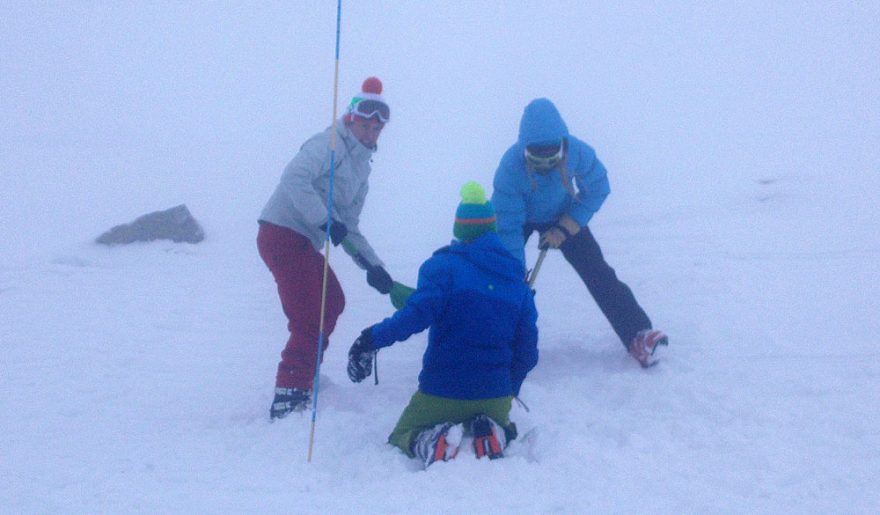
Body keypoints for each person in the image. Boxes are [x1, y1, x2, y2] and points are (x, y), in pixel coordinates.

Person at [347, 182, 539, 469]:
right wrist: (508, 388)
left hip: (442, 390)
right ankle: (496, 430)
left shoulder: (443, 268)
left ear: (459, 230)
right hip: (495, 395)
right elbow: (527, 351)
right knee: (499, 420)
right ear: (492, 230)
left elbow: (416, 315)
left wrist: (370, 339)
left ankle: (427, 442)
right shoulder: (517, 285)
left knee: (399, 435)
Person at [491, 98, 668, 368]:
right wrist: (515, 270)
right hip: (522, 219)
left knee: (598, 273)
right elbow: (508, 226)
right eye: (537, 154)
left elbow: (597, 187)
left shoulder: (578, 152)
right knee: (503, 275)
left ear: (563, 144)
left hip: (564, 216)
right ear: (525, 149)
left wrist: (567, 226)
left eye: (551, 153)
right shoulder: (510, 169)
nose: (546, 161)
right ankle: (493, 340)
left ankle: (637, 334)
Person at [258, 77, 397, 419]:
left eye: (376, 129)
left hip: (302, 240)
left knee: (332, 301)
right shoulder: (329, 144)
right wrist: (323, 220)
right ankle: (290, 395)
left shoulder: (361, 169)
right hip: (281, 232)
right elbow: (293, 179)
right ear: (352, 119)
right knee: (311, 312)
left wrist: (374, 266)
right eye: (364, 125)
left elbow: (348, 226)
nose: (369, 133)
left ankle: (305, 378)